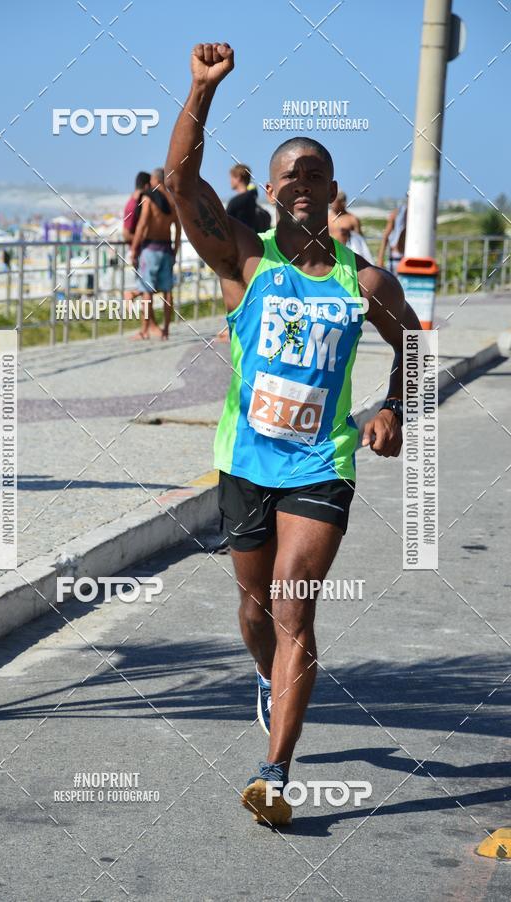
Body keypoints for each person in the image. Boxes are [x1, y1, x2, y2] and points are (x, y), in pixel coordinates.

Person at [165, 42, 421, 827]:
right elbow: (180, 184)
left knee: (292, 611)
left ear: (333, 190)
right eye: (290, 175)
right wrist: (201, 91)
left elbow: (412, 342)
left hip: (322, 463)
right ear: (270, 193)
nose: (303, 184)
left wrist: (392, 408)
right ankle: (270, 679)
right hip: (244, 461)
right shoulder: (244, 260)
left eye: (317, 173)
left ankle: (274, 776)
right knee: (251, 610)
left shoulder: (364, 281)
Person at [130, 167, 181, 340]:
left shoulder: (148, 199)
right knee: (167, 291)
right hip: (167, 248)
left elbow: (142, 225)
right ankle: (166, 330)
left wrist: (134, 249)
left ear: (154, 180)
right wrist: (175, 250)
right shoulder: (172, 200)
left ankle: (144, 330)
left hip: (150, 249)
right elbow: (178, 229)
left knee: (147, 291)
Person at [122, 171, 150, 307]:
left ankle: (149, 323)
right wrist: (142, 239)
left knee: (149, 288)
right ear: (146, 186)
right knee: (148, 287)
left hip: (141, 251)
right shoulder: (133, 206)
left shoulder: (136, 203)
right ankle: (131, 294)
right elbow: (126, 234)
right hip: (139, 252)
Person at [377, 197, 408, 273]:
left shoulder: (419, 215)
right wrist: (380, 259)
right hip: (396, 257)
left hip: (410, 257)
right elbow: (386, 236)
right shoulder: (398, 213)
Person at [227, 164, 258, 229]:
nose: (230, 181)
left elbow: (226, 223)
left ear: (238, 178)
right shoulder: (253, 201)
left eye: (232, 177)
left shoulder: (235, 202)